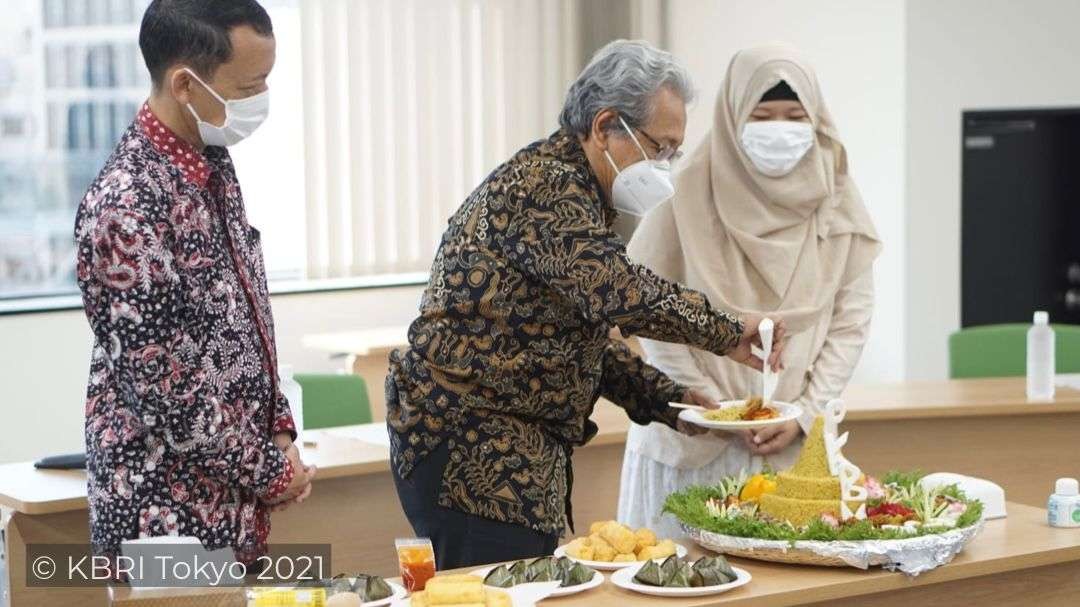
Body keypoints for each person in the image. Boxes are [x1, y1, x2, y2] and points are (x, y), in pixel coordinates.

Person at [386, 40, 785, 570]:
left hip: (505, 449)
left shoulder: (580, 194)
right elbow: (619, 292)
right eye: (659, 148)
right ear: (604, 128)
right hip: (472, 451)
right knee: (499, 594)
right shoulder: (546, 186)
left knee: (528, 586)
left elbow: (577, 337)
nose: (665, 166)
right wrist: (729, 331)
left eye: (674, 152)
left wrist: (670, 401)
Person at [74, 0, 314, 564]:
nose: (261, 99)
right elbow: (165, 388)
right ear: (185, 83)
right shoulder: (126, 206)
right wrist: (267, 470)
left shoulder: (209, 162)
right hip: (163, 516)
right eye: (250, 85)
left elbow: (243, 316)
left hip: (230, 502)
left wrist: (278, 430)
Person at [617, 44, 882, 537]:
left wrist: (803, 414)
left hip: (791, 450)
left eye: (794, 115)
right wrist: (718, 409)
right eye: (761, 116)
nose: (779, 128)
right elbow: (649, 315)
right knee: (672, 581)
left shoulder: (836, 195)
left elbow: (851, 320)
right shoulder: (686, 191)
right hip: (691, 441)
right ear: (733, 115)